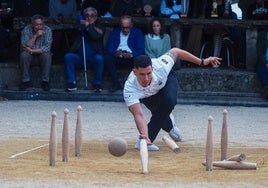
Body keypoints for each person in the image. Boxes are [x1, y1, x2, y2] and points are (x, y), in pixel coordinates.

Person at [123, 49, 221, 151]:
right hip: (147, 95)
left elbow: (176, 51)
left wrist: (202, 61)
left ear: (152, 68)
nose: (146, 78)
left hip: (166, 81)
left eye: (149, 73)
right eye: (142, 74)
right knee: (160, 114)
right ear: (134, 72)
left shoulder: (161, 66)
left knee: (169, 102)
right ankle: (169, 127)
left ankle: (144, 141)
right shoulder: (130, 88)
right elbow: (138, 115)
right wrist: (144, 134)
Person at [64, 7, 105, 92]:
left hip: (93, 59)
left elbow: (96, 36)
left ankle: (97, 84)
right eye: (87, 15)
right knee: (68, 57)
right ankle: (71, 83)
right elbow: (76, 28)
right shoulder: (80, 24)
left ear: (96, 17)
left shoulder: (100, 27)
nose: (89, 17)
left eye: (92, 15)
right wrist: (84, 25)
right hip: (80, 58)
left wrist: (88, 26)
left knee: (99, 58)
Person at [104, 15, 145, 92]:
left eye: (127, 27)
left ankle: (135, 85)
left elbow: (141, 50)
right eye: (123, 28)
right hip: (118, 58)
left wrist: (131, 54)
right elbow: (109, 48)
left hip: (132, 59)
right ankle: (116, 83)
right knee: (107, 58)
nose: (125, 30)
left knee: (140, 59)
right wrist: (115, 53)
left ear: (131, 25)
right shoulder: (114, 33)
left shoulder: (137, 33)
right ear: (120, 26)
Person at [19, 14, 52, 91]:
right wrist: (35, 35)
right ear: (32, 24)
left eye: (41, 24)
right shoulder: (26, 29)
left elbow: (46, 48)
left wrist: (31, 50)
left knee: (47, 56)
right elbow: (25, 46)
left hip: (40, 54)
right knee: (24, 55)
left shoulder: (47, 30)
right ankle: (25, 81)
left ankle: (45, 82)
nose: (39, 27)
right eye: (37, 25)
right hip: (30, 55)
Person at [247, 0, 268, 99]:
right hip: (264, 61)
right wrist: (266, 62)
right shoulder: (263, 35)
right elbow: (259, 51)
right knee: (260, 67)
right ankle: (266, 88)